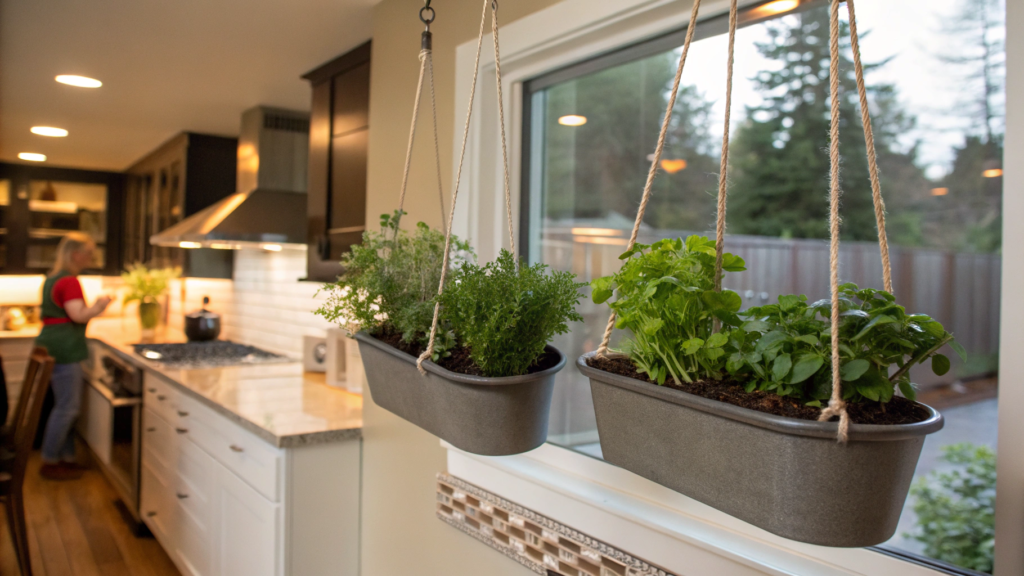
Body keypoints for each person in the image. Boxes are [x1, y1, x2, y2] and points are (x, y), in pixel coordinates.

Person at [34, 232, 111, 480]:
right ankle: (50, 460)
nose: (92, 257)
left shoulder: (51, 278)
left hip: (51, 344)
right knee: (68, 408)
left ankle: (66, 459)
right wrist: (100, 305)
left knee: (65, 407)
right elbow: (78, 315)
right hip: (64, 348)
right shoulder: (69, 281)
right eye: (89, 252)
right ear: (75, 254)